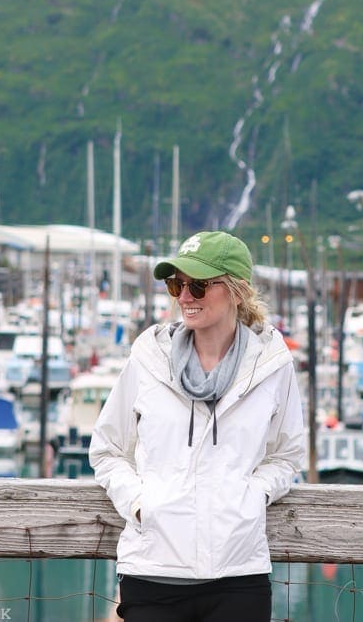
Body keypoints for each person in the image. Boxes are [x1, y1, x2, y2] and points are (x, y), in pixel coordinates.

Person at [89, 229, 306, 622]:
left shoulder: (273, 365)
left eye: (199, 286)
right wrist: (141, 504)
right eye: (177, 284)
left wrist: (253, 496)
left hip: (239, 574)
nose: (185, 297)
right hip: (152, 571)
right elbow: (107, 449)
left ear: (237, 291)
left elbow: (287, 455)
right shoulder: (147, 359)